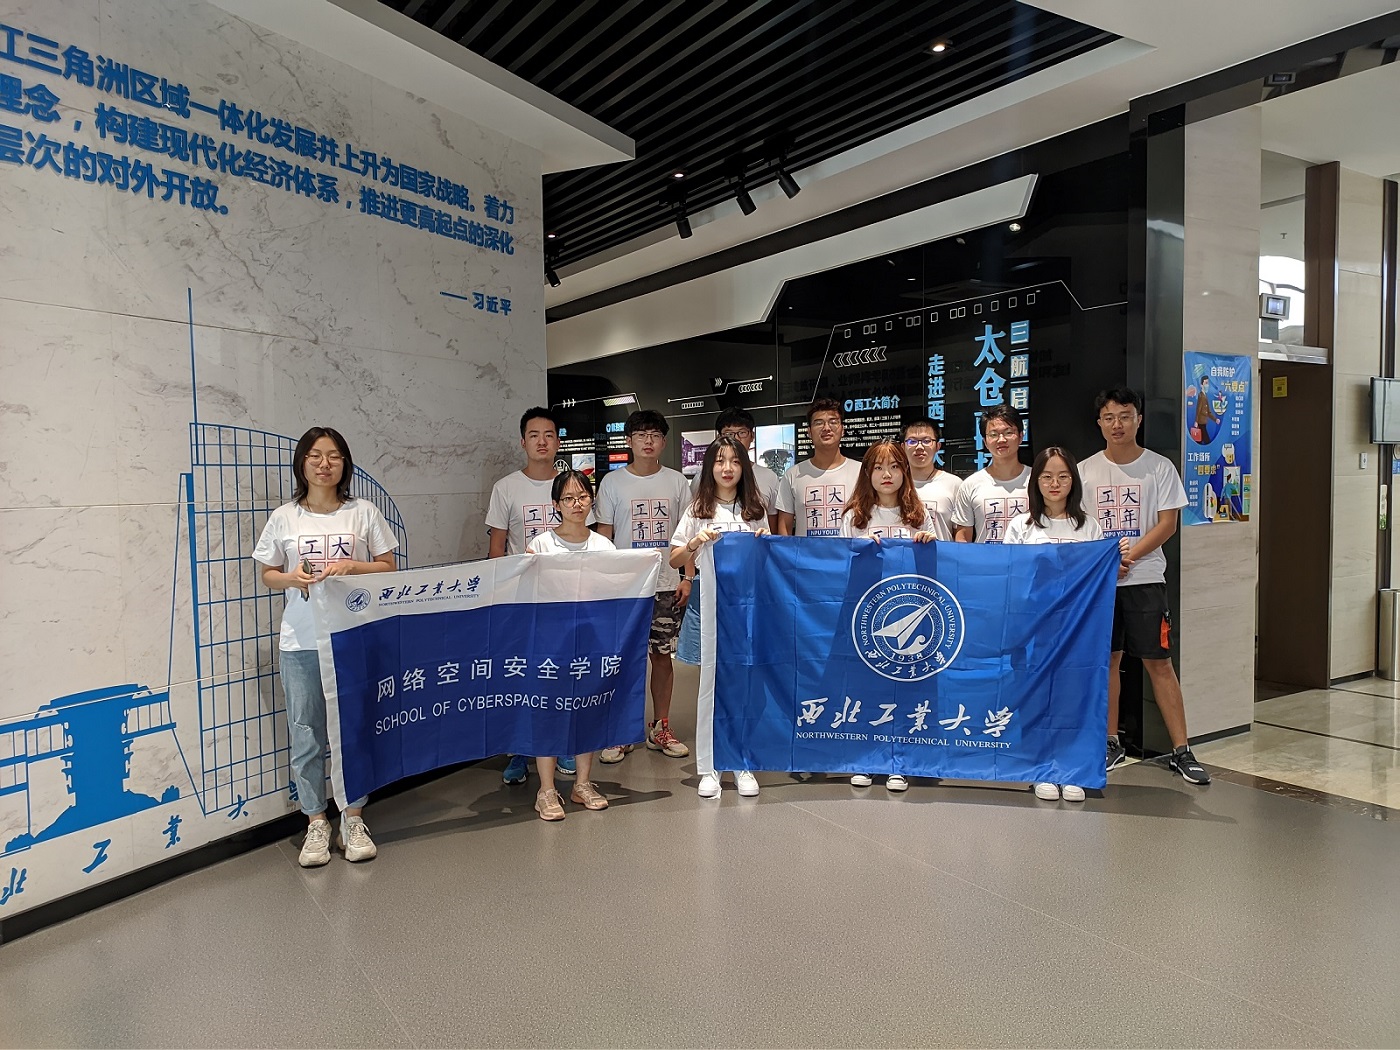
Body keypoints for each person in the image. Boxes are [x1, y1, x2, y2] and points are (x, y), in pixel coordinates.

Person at [252, 427, 398, 867]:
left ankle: (353, 817)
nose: (324, 464)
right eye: (315, 455)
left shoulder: (363, 512)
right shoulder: (285, 516)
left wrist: (352, 567)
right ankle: (316, 821)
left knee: (355, 727)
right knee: (307, 731)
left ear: (344, 464)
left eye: (333, 456)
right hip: (300, 640)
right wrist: (291, 577)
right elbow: (268, 573)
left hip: (354, 637)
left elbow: (388, 566)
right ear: (302, 463)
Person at [1078, 388, 1211, 785]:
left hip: (1146, 579)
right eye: (1109, 417)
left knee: (1159, 663)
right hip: (1100, 584)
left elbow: (1168, 524)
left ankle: (1182, 750)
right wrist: (1104, 563)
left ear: (1138, 419)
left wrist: (1128, 558)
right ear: (1099, 423)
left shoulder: (1159, 467)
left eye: (1125, 416)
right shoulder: (1084, 470)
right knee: (1107, 662)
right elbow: (1078, 527)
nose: (1116, 424)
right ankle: (1111, 742)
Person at [1004, 446, 1110, 803]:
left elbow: (1099, 577)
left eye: (1063, 476)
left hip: (1079, 628)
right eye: (1047, 476)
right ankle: (1040, 769)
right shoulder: (1021, 525)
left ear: (1073, 481)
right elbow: (1011, 575)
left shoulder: (1088, 526)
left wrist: (1117, 559)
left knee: (1075, 696)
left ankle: (1074, 768)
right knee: (1038, 695)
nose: (1055, 483)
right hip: (1036, 628)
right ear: (1035, 481)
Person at [485, 406, 583, 784]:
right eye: (534, 435)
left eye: (549, 435)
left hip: (565, 598)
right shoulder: (506, 487)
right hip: (522, 600)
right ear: (522, 442)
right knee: (523, 678)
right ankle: (521, 751)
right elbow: (496, 548)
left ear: (558, 441)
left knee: (564, 674)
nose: (542, 441)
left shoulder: (573, 485)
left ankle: (564, 745)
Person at [671, 436, 769, 799]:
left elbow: (767, 561)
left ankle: (742, 761)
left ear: (744, 468)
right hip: (711, 607)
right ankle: (710, 765)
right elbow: (675, 557)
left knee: (744, 683)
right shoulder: (698, 509)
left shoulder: (754, 510)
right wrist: (696, 542)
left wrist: (763, 542)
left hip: (747, 609)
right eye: (719, 461)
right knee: (710, 683)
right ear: (709, 467)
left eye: (735, 461)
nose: (727, 468)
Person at [594, 410, 693, 763]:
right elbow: (603, 537)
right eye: (640, 435)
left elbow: (687, 536)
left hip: (666, 583)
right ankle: (623, 731)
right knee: (624, 659)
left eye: (654, 435)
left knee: (662, 657)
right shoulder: (612, 483)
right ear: (629, 441)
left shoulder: (677, 482)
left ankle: (660, 727)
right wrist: (606, 584)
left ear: (664, 442)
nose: (647, 441)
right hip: (626, 588)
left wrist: (688, 576)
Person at [838, 440, 936, 792]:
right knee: (867, 688)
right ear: (867, 473)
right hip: (867, 619)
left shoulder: (920, 515)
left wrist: (928, 545)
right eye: (878, 467)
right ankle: (865, 759)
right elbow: (839, 569)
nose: (887, 475)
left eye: (894, 466)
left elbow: (938, 570)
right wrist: (860, 551)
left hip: (910, 616)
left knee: (905, 688)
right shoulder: (854, 517)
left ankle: (899, 761)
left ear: (905, 472)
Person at [524, 470, 615, 820]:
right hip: (549, 644)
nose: (577, 504)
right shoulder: (541, 546)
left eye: (583, 497)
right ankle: (546, 790)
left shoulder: (604, 546)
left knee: (587, 709)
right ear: (556, 504)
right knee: (547, 710)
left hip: (591, 642)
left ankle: (583, 783)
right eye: (569, 498)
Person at [775, 398, 862, 537]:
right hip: (806, 552)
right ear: (809, 432)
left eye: (833, 422)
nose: (826, 428)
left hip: (849, 551)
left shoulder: (861, 472)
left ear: (842, 430)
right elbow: (784, 528)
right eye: (819, 423)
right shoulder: (792, 475)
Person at [951, 405, 1031, 544]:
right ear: (985, 442)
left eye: (1008, 432)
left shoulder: (1038, 480)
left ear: (1020, 436)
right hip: (985, 558)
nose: (1001, 439)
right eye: (993, 434)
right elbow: (962, 537)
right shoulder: (971, 484)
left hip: (1027, 558)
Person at [693, 407, 781, 532]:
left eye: (742, 432)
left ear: (752, 436)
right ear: (719, 437)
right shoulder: (702, 478)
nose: (736, 439)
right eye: (728, 434)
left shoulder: (769, 477)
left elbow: (771, 527)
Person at [902, 418, 961, 540]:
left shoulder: (954, 484)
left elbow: (960, 535)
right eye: (912, 441)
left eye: (926, 441)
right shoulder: (894, 484)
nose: (919, 447)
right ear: (902, 447)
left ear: (938, 446)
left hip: (941, 552)